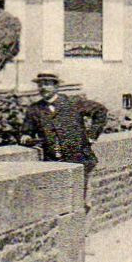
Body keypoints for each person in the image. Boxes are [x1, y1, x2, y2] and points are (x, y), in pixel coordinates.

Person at [23, 72, 109, 208]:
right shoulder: (34, 109)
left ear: (56, 86)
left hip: (80, 157)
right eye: (40, 85)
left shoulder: (73, 103)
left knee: (83, 202)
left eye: (47, 84)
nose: (43, 88)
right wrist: (26, 136)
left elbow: (101, 111)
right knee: (58, 203)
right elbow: (26, 130)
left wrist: (92, 135)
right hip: (53, 161)